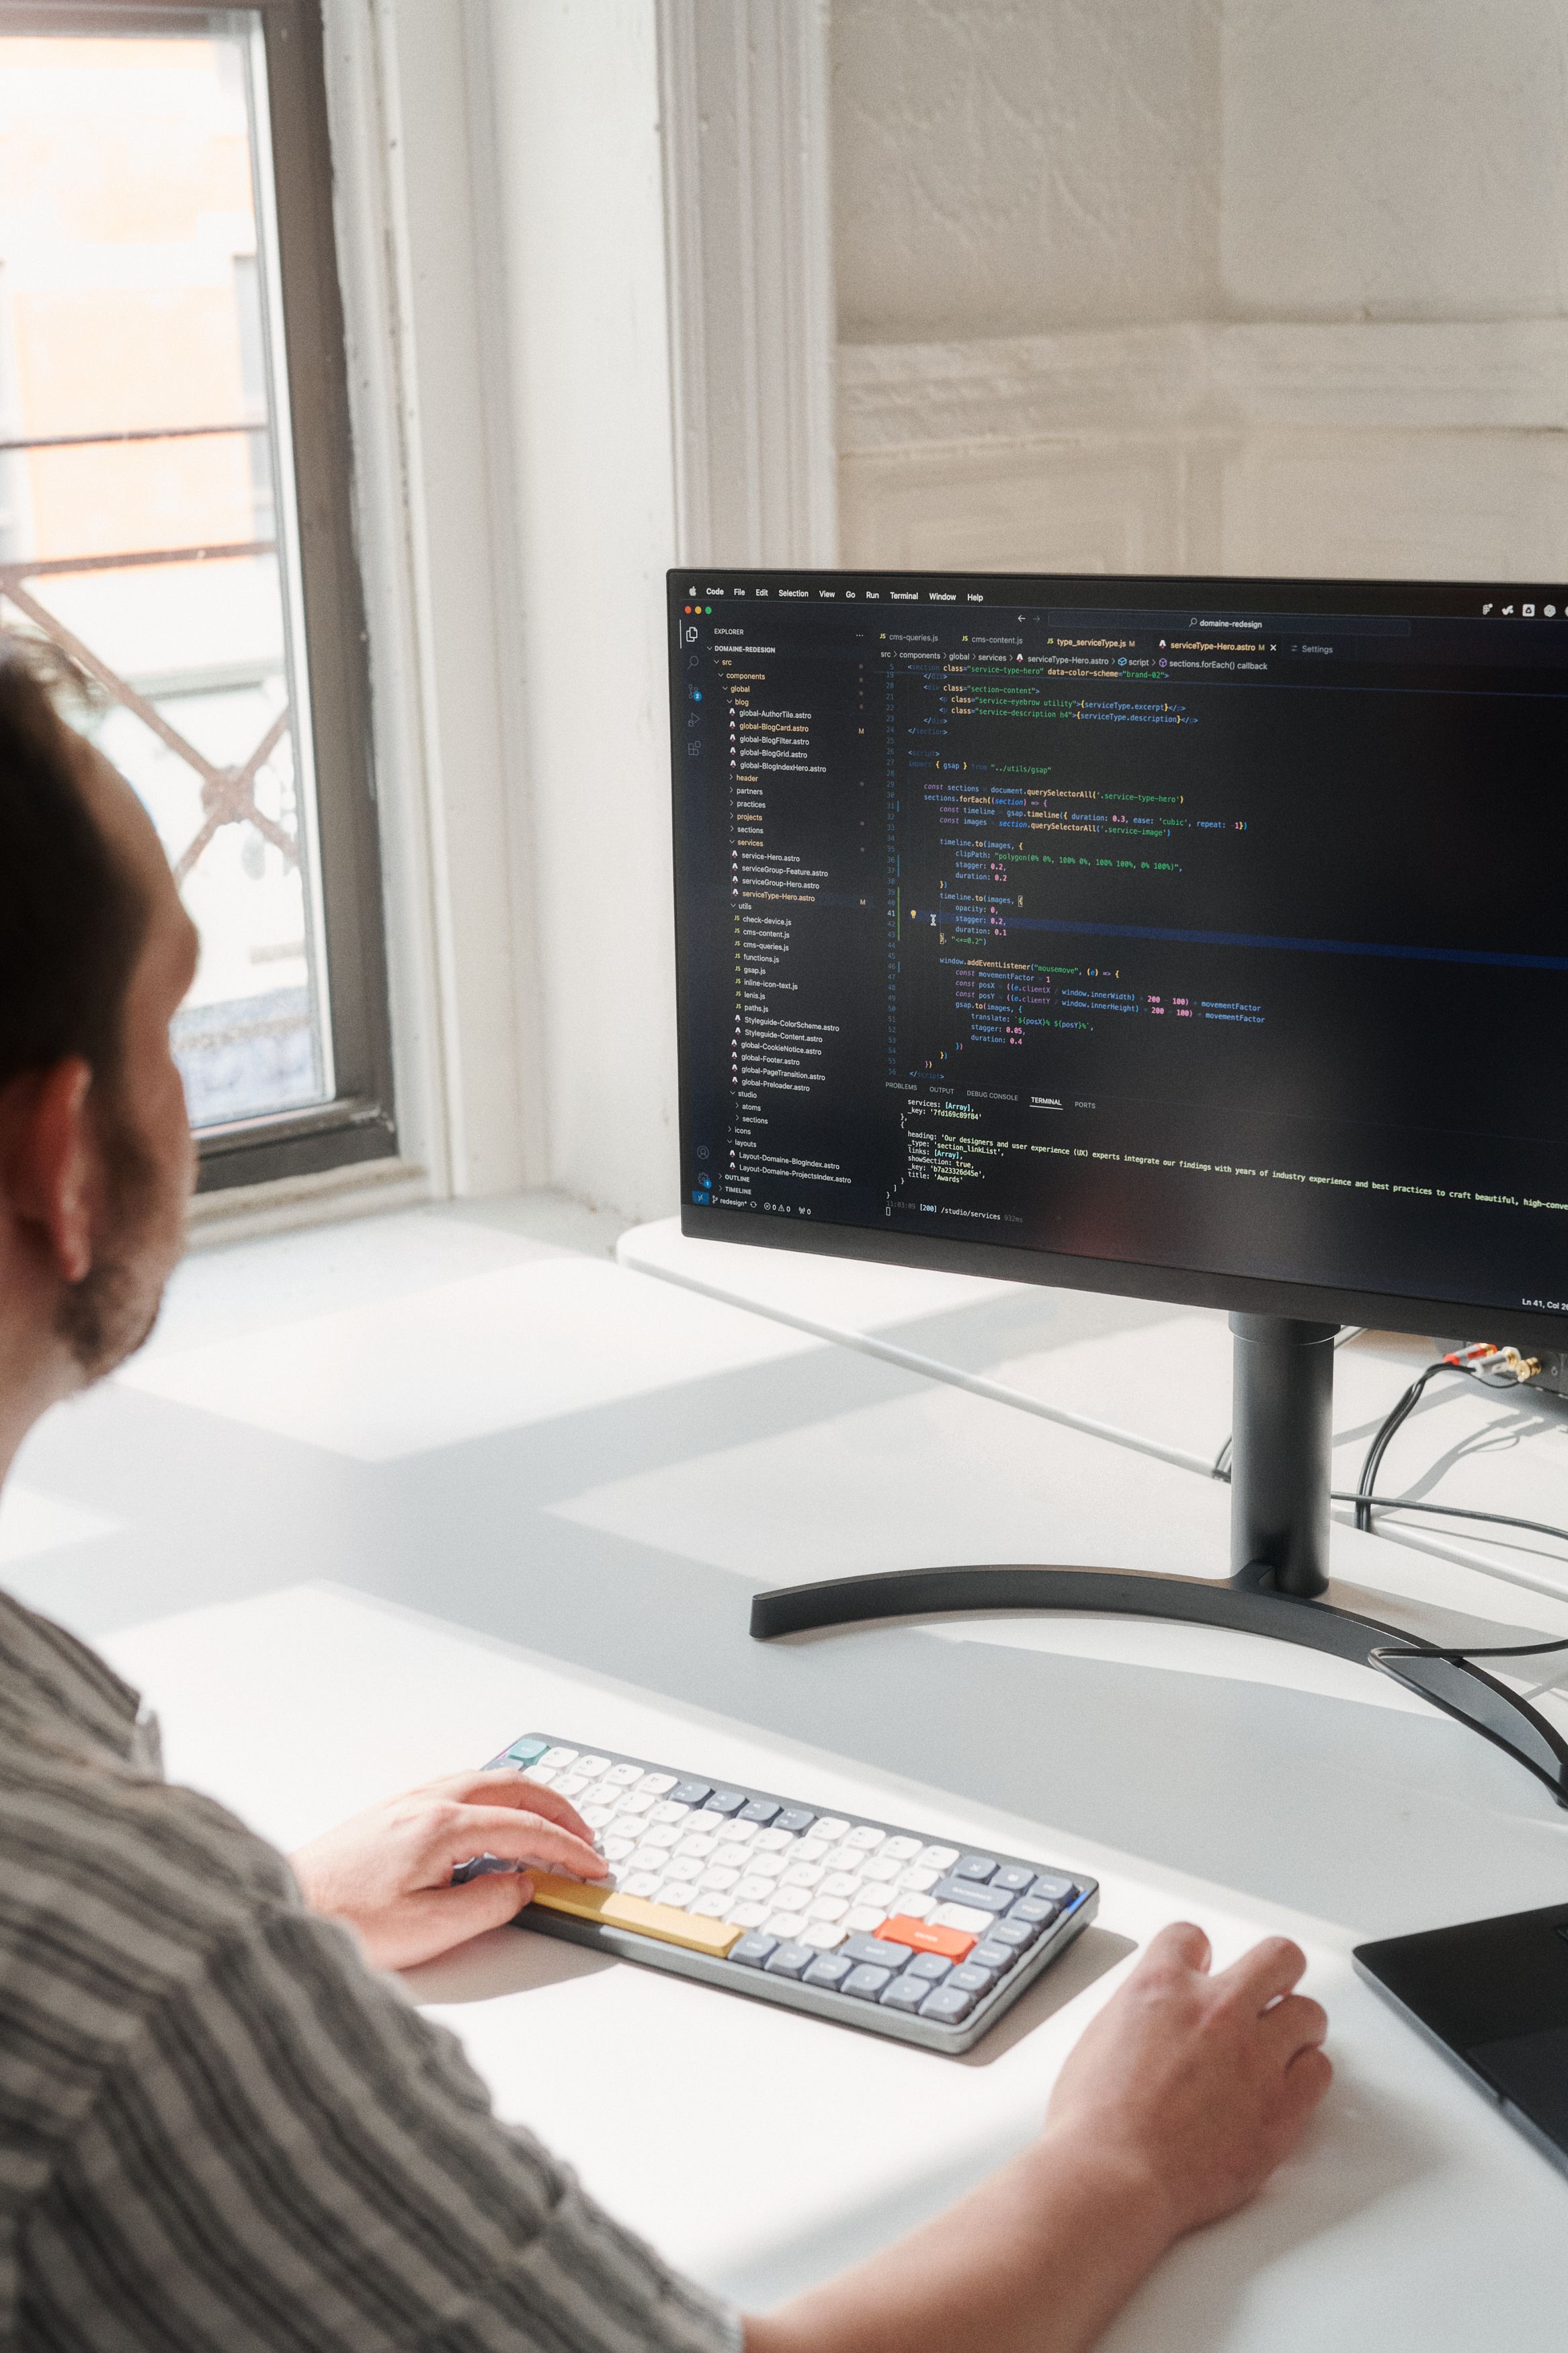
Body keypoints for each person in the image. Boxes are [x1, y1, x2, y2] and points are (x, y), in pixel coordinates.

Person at [0, 641, 1331, 2352]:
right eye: (174, 1021)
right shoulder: (122, 1965)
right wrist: (1127, 2162)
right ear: (60, 1165)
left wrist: (274, 1934)